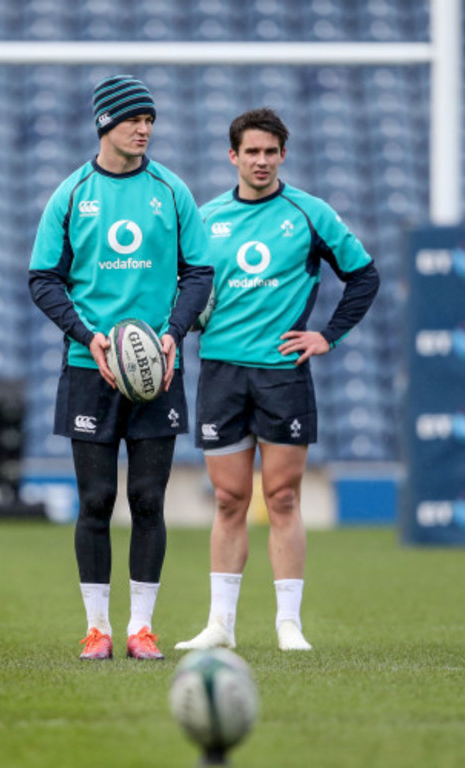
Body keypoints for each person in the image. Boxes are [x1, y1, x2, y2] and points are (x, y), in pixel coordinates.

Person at [175, 108, 379, 653]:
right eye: (251, 152)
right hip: (220, 372)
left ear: (283, 155)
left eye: (271, 152)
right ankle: (221, 624)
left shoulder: (309, 213)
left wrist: (326, 336)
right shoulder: (205, 217)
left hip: (282, 374)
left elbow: (363, 275)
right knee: (228, 499)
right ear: (233, 156)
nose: (261, 161)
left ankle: (289, 623)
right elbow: (184, 287)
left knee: (283, 496)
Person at [29, 75, 213, 661]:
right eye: (134, 118)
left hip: (156, 371)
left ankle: (141, 628)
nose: (145, 128)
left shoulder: (171, 190)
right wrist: (90, 337)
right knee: (95, 500)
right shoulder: (72, 193)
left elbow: (200, 273)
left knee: (150, 499)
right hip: (90, 367)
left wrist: (171, 335)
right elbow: (43, 279)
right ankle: (97, 629)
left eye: (150, 119)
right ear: (105, 123)